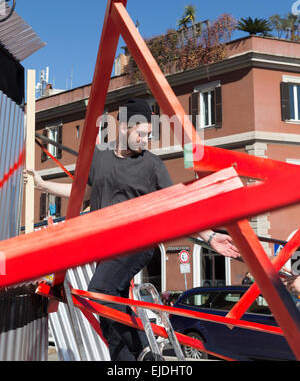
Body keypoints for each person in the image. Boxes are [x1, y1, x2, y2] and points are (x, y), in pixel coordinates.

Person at [26, 98, 240, 361]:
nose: (145, 141)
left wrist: (211, 236)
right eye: (141, 134)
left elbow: (178, 207)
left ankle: (142, 348)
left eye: (149, 135)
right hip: (103, 248)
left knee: (100, 292)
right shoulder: (100, 158)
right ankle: (133, 359)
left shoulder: (152, 166)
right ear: (125, 127)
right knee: (107, 309)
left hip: (136, 243)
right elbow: (83, 194)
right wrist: (44, 185)